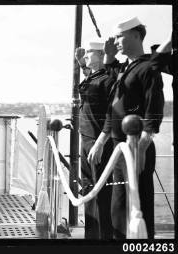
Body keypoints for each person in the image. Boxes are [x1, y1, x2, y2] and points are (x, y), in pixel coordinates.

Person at [88, 17, 165, 239]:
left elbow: (153, 109)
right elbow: (114, 106)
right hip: (118, 147)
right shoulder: (127, 68)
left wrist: (141, 147)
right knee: (119, 209)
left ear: (136, 35)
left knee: (137, 206)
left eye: (120, 36)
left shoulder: (148, 67)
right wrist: (102, 141)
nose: (116, 41)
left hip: (135, 147)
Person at [75, 40, 115, 239]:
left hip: (98, 142)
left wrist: (100, 142)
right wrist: (82, 64)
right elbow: (88, 83)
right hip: (86, 139)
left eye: (90, 54)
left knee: (101, 192)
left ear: (101, 56)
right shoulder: (95, 76)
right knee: (88, 188)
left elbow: (112, 113)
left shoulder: (108, 79)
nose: (86, 56)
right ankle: (91, 236)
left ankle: (104, 238)